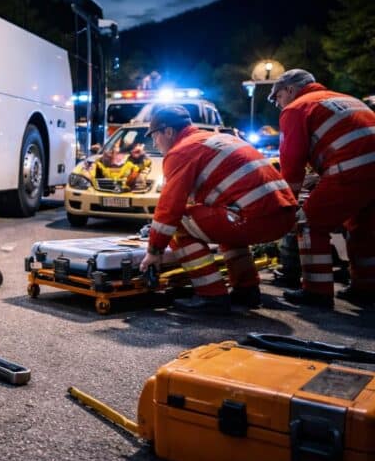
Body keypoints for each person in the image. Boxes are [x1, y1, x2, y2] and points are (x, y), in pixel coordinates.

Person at [139, 105, 297, 312]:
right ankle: (246, 290)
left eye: (155, 136)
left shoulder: (181, 151)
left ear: (168, 131)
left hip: (253, 217)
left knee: (178, 224)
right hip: (283, 215)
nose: (155, 142)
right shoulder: (217, 138)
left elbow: (170, 208)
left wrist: (154, 250)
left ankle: (210, 295)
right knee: (225, 226)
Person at [270, 69, 375, 308]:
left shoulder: (297, 108)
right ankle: (366, 287)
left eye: (277, 97)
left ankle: (316, 291)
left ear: (290, 90)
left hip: (351, 168)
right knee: (363, 229)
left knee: (309, 222)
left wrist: (287, 205)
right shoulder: (346, 99)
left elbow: (292, 163)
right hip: (366, 169)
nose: (278, 104)